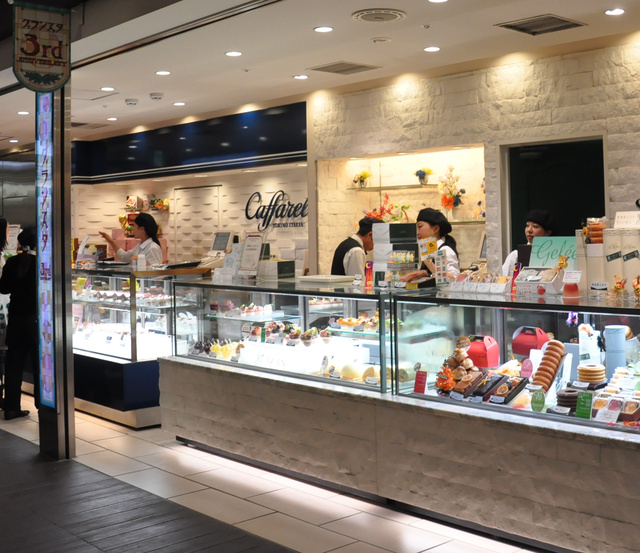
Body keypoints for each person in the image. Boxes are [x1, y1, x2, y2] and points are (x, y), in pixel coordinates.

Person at [0, 228, 39, 419]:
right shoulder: (40, 264)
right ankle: (43, 406)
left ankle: (11, 407)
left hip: (15, 319)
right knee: (40, 364)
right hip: (36, 320)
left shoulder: (12, 262)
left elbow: (3, 288)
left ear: (19, 243)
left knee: (13, 365)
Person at [401, 208, 460, 284]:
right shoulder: (428, 252)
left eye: (420, 227)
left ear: (435, 229)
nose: (417, 233)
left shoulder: (444, 250)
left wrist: (428, 262)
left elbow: (454, 278)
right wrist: (424, 273)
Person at [502, 209, 554, 276]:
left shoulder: (556, 255)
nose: (529, 230)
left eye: (535, 226)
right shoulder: (516, 255)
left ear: (548, 232)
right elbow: (504, 278)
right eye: (527, 226)